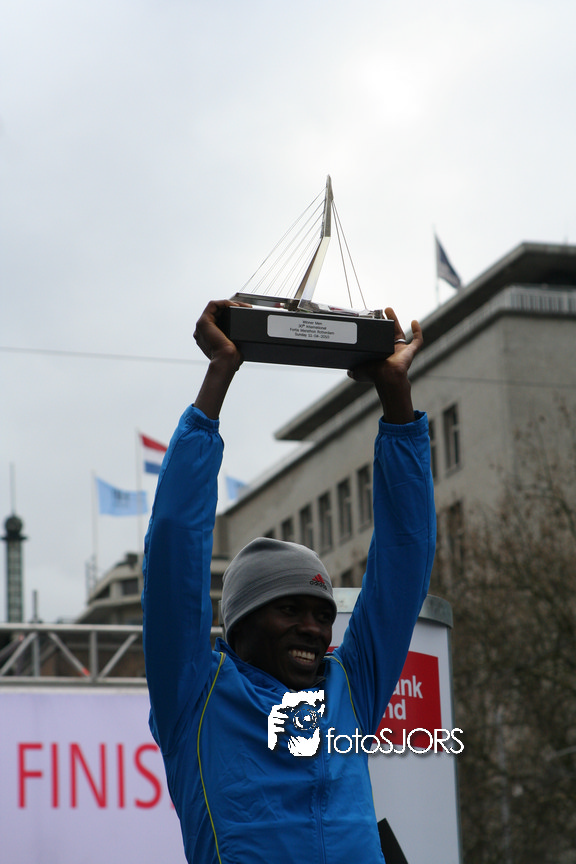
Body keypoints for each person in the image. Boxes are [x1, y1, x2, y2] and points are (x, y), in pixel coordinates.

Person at [142, 299, 436, 864]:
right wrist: (218, 377)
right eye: (289, 609)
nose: (313, 628)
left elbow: (407, 554)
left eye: (323, 614)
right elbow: (175, 546)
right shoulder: (195, 695)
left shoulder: (349, 688)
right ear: (241, 623)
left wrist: (396, 397)